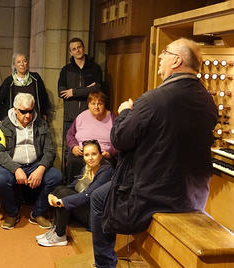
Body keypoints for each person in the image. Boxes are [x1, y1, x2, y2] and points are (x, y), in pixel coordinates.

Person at [90, 38, 218, 268]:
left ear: (177, 60)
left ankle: (104, 264)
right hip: (193, 195)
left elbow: (119, 140)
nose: (159, 57)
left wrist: (126, 112)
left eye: (164, 53)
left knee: (98, 199)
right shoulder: (207, 100)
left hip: (153, 195)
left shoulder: (153, 99)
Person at [0, 93, 62, 230]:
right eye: (23, 111)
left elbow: (50, 150)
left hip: (35, 165)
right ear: (15, 110)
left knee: (56, 177)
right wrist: (16, 169)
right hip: (12, 165)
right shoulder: (4, 125)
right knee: (0, 179)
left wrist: (41, 168)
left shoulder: (41, 124)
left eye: (31, 111)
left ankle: (37, 213)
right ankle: (12, 213)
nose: (28, 115)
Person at [36, 140, 113, 247]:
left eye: (94, 154)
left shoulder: (106, 171)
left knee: (64, 195)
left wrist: (60, 201)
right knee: (61, 190)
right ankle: (56, 230)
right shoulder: (87, 168)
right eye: (87, 155)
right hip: (86, 208)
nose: (90, 158)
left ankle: (59, 235)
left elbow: (88, 195)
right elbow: (72, 186)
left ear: (100, 155)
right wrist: (53, 194)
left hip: (95, 216)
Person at [57, 38, 103, 160]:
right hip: (70, 117)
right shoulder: (66, 70)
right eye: (74, 49)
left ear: (83, 48)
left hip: (89, 116)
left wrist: (74, 92)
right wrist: (87, 89)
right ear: (70, 53)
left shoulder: (95, 68)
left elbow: (98, 89)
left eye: (79, 47)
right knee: (70, 150)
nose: (77, 50)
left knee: (90, 149)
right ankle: (68, 179)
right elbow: (61, 93)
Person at [65, 91, 117, 184]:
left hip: (102, 156)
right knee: (72, 161)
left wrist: (110, 152)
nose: (96, 107)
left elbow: (119, 140)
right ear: (88, 104)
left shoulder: (113, 118)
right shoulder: (81, 116)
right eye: (93, 103)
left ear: (104, 105)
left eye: (100, 104)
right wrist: (73, 146)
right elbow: (70, 135)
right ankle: (72, 191)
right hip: (81, 154)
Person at [0, 53, 51, 121]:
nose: (22, 64)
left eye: (24, 61)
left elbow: (43, 97)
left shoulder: (36, 79)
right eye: (18, 62)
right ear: (14, 65)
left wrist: (44, 113)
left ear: (27, 63)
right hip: (16, 121)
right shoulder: (9, 82)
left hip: (34, 120)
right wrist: (5, 117)